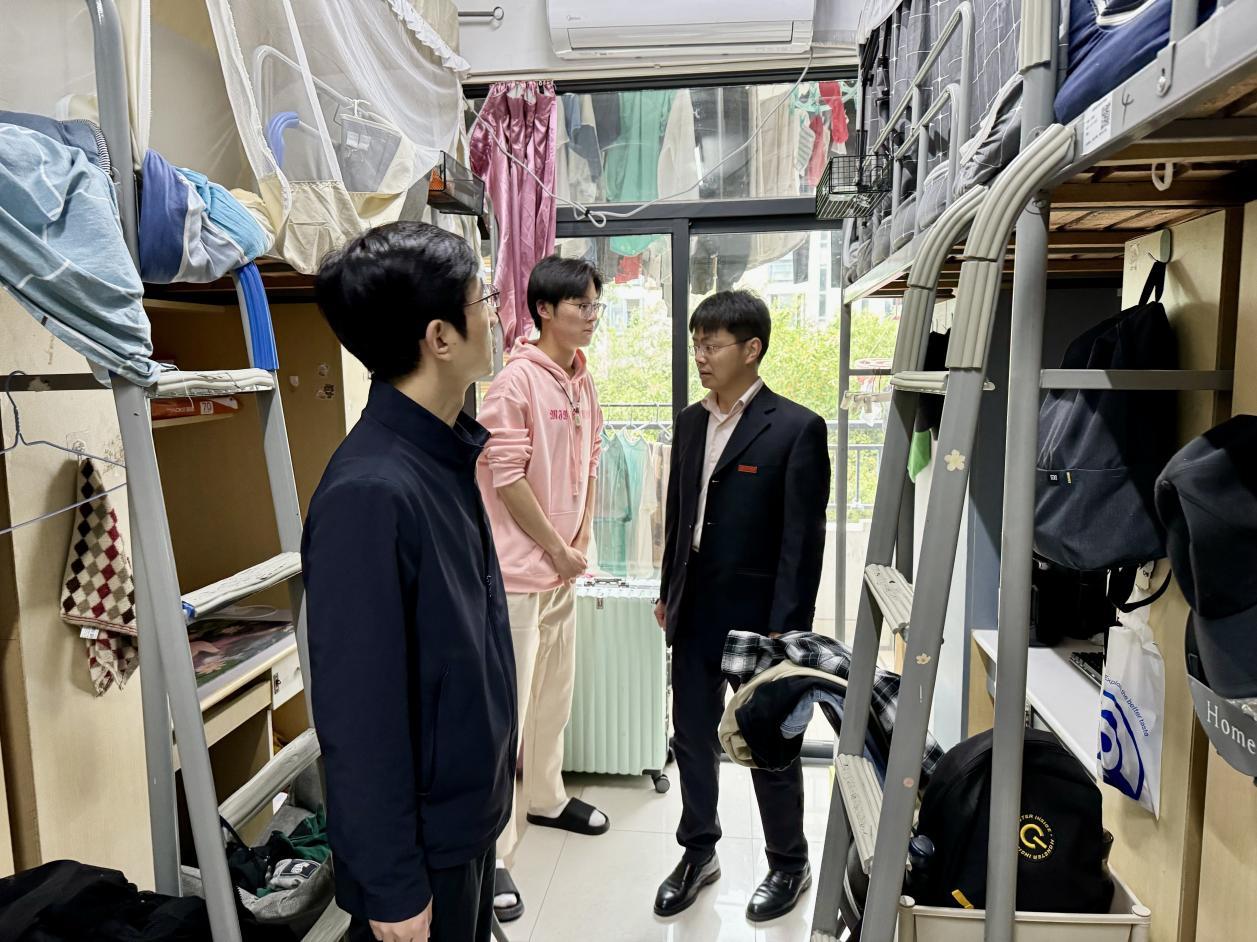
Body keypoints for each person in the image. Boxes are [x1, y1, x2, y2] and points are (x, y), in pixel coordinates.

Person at [302, 222, 517, 942]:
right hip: (424, 849)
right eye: (483, 299)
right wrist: (391, 883)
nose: (495, 314)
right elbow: (358, 711)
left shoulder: (439, 453)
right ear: (440, 337)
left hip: (465, 817)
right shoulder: (371, 492)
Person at [653, 290, 831, 922]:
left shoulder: (796, 428)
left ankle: (789, 862)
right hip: (694, 608)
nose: (700, 356)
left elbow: (802, 543)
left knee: (767, 739)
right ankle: (699, 851)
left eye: (712, 345)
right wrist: (669, 592)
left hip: (760, 618)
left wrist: (787, 632)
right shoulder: (690, 422)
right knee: (691, 736)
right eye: (696, 344)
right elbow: (680, 517)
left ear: (752, 349)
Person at [476, 255, 611, 923]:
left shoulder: (582, 381)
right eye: (581, 305)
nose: (591, 316)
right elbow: (505, 477)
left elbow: (589, 462)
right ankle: (495, 850)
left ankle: (547, 798)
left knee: (554, 697)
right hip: (518, 577)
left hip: (563, 570)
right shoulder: (514, 382)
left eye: (595, 305)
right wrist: (556, 547)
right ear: (545, 311)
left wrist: (579, 540)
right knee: (508, 715)